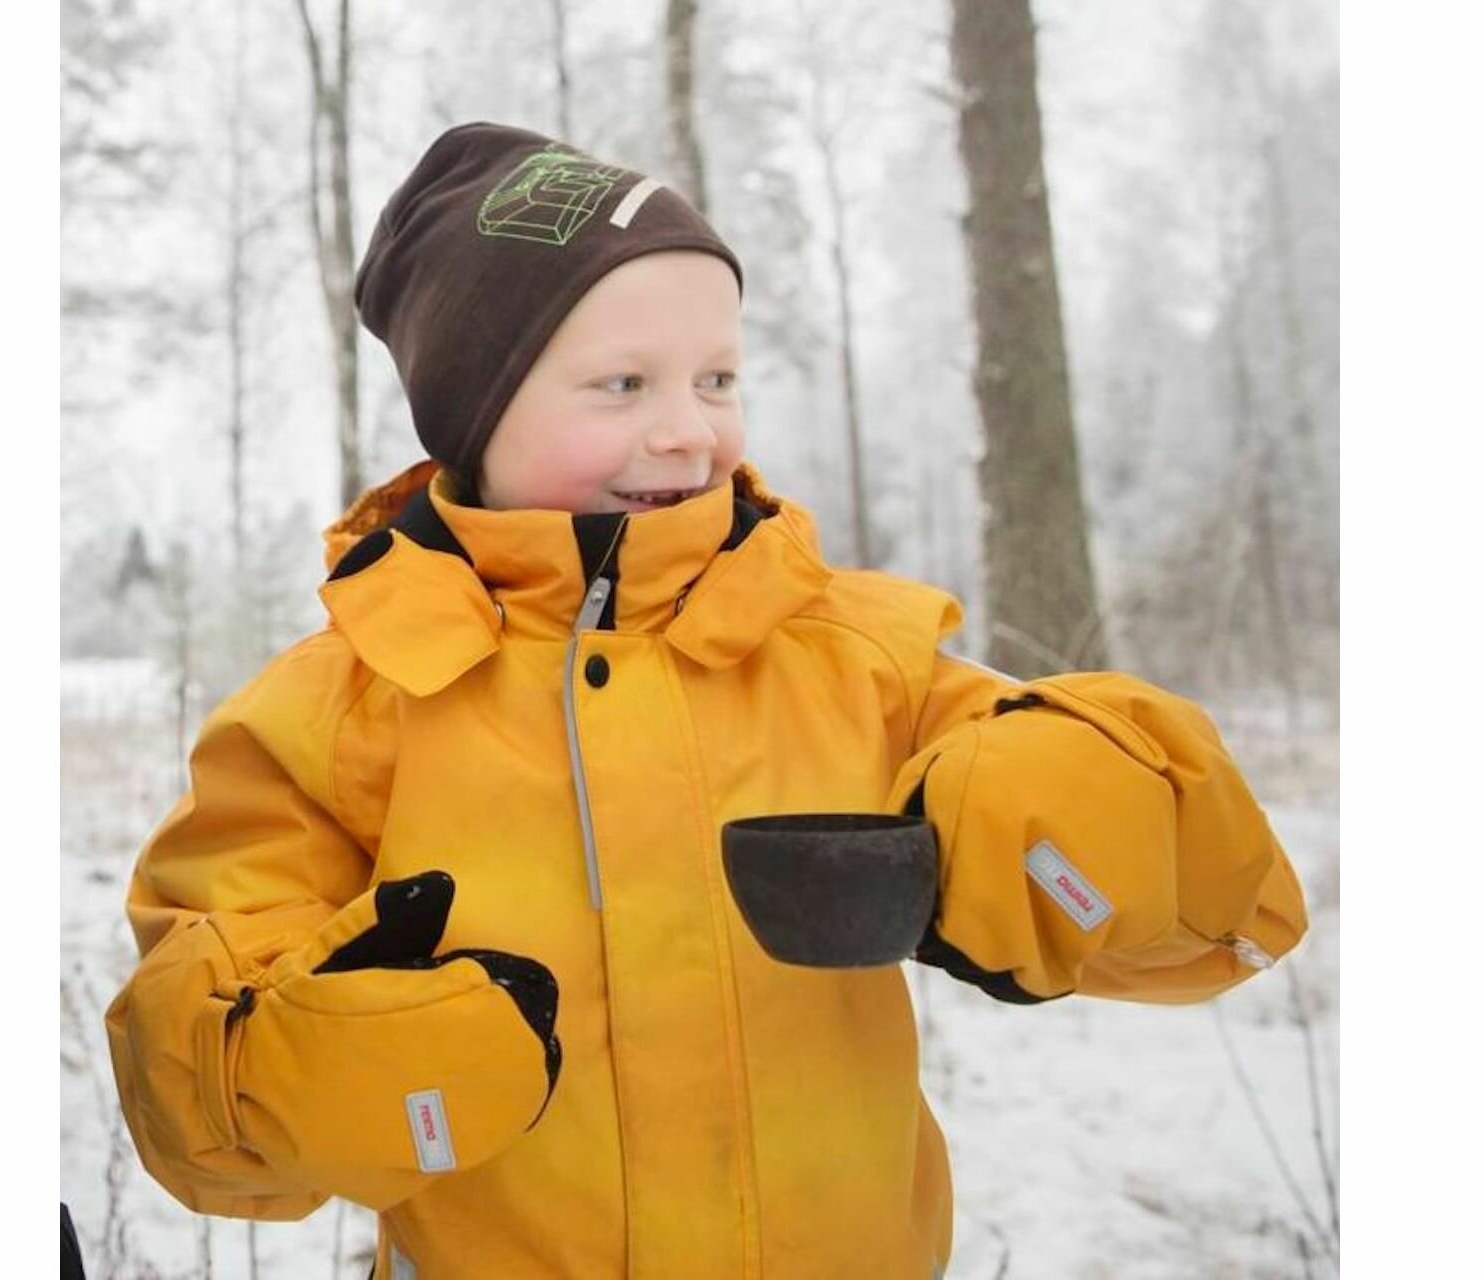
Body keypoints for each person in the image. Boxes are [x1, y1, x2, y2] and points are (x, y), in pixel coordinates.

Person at [104, 122, 1308, 1280]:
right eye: (622, 383)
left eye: (716, 377)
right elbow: (192, 1085)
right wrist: (323, 1059)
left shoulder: (850, 654)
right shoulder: (339, 709)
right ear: (477, 411)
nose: (687, 430)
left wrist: (1071, 802)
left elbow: (1220, 920)